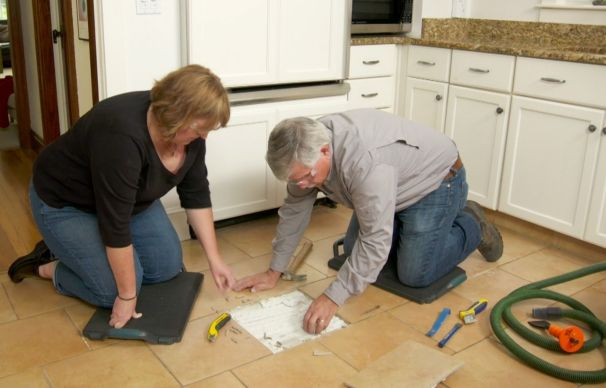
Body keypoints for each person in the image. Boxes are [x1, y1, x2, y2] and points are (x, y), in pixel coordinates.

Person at [234, 109, 503, 334]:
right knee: (355, 253)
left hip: (436, 182)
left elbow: (376, 239)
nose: (302, 185)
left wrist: (332, 298)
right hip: (392, 186)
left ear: (326, 151)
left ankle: (472, 224)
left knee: (414, 273)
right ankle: (404, 228)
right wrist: (275, 271)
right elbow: (294, 211)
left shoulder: (364, 163)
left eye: (306, 176)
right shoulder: (306, 148)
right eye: (295, 180)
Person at [9, 64, 235, 329]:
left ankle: (77, 253)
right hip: (65, 203)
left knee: (166, 267)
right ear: (177, 115)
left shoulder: (192, 138)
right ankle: (49, 266)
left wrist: (215, 260)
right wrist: (127, 296)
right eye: (199, 129)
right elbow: (115, 227)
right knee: (111, 292)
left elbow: (196, 194)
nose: (205, 136)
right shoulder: (121, 135)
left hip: (127, 202)